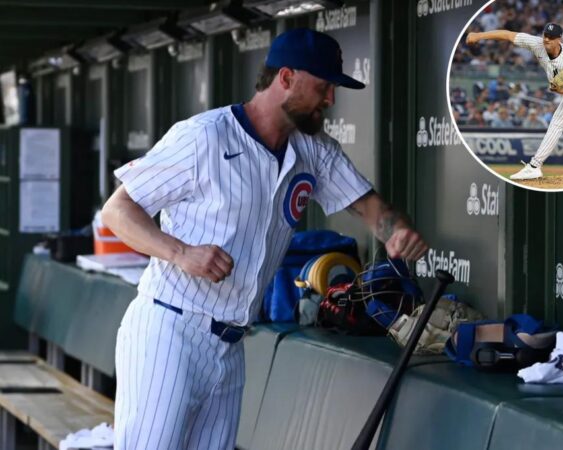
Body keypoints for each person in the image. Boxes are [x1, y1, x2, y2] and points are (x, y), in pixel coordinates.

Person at [101, 28, 428, 450]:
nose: (330, 99)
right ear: (286, 78)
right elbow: (117, 210)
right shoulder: (205, 136)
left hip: (232, 344)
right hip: (171, 329)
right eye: (323, 86)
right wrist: (180, 252)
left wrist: (397, 232)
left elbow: (373, 212)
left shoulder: (313, 150)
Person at [467, 23, 563, 180]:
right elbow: (508, 35)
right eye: (545, 35)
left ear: (559, 39)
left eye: (551, 37)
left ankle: (535, 166)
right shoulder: (537, 43)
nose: (546, 39)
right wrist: (479, 35)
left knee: (557, 121)